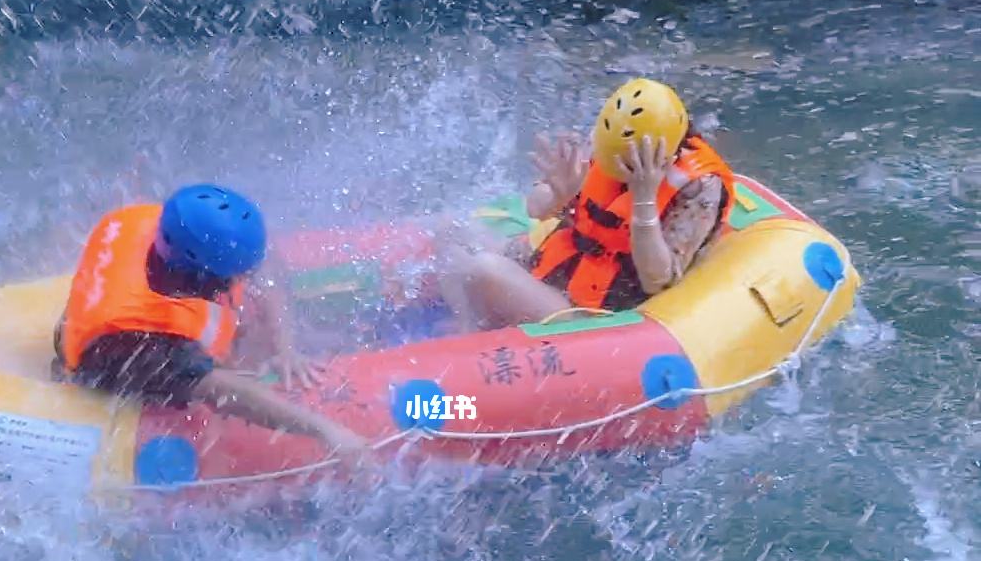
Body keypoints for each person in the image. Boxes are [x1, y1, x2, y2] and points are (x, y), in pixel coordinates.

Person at [54, 185, 365, 457]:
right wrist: (328, 431)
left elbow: (264, 265)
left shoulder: (163, 226)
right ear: (199, 281)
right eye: (239, 275)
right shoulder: (138, 344)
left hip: (149, 322)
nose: (249, 277)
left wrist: (285, 348)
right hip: (114, 368)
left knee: (256, 333)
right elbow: (222, 392)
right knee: (238, 368)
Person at [437, 79, 736, 328]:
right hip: (559, 265)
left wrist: (644, 199)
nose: (612, 164)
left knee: (483, 269)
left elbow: (657, 280)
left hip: (596, 309)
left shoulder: (699, 187)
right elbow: (535, 210)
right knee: (450, 231)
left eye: (625, 162)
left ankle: (469, 336)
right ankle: (468, 324)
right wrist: (558, 194)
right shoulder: (608, 140)